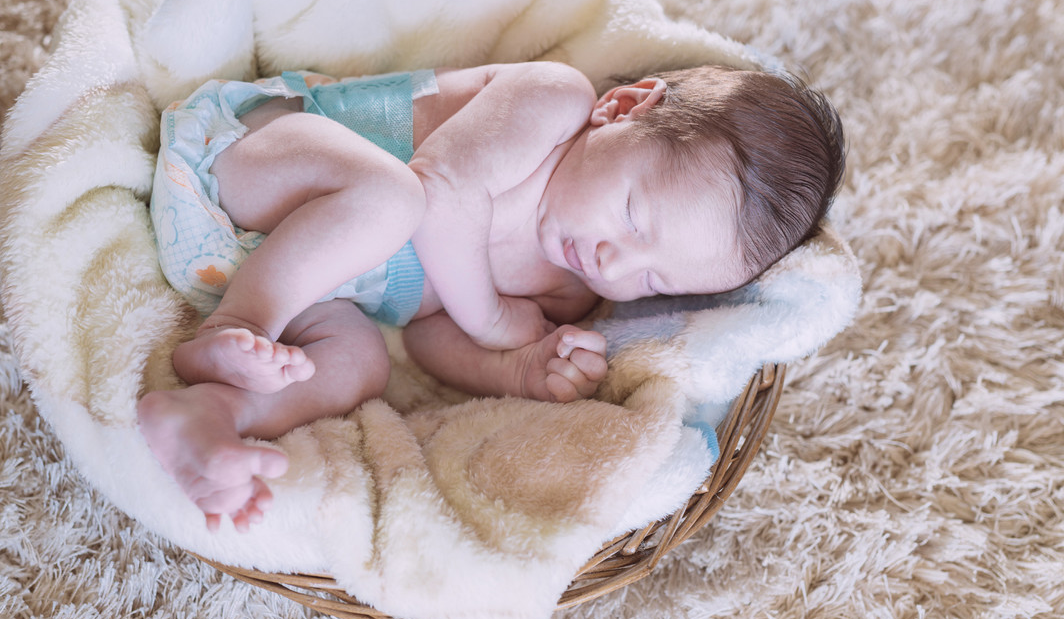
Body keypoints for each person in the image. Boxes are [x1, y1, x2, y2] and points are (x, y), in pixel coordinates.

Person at [138, 61, 845, 531]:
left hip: (271, 272)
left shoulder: (569, 292)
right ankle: (231, 331)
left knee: (360, 363)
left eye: (654, 279)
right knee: (393, 198)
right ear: (622, 107)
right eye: (633, 214)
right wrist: (498, 319)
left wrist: (512, 366)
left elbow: (425, 335)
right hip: (245, 165)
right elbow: (442, 191)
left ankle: (209, 412)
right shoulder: (552, 102)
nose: (614, 261)